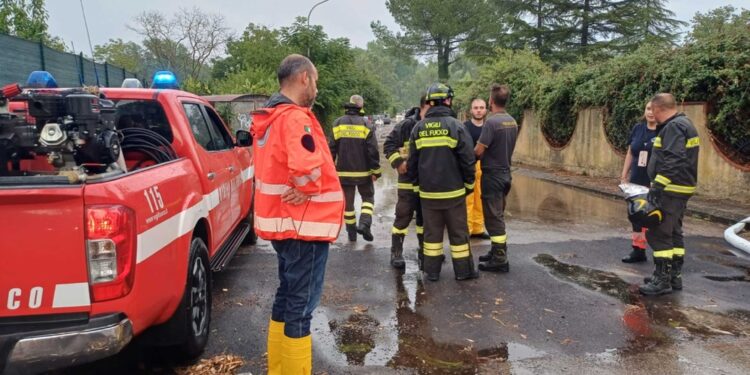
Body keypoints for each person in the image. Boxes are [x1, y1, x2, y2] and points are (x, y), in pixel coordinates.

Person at [251, 54, 344, 374]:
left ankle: (278, 369)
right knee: (300, 309)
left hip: (284, 223)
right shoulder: (294, 117)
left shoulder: (271, 116)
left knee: (287, 297)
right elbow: (306, 164)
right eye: (315, 80)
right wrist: (307, 187)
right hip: (304, 225)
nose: (317, 87)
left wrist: (303, 185)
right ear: (304, 78)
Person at [407, 83, 478, 281]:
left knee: (432, 235)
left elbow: (412, 163)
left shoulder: (418, 128)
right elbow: (468, 160)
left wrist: (416, 187)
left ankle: (431, 272)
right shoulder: (457, 126)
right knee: (459, 234)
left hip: (428, 194)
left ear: (429, 102)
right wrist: (469, 185)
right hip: (454, 193)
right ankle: (464, 272)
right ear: (447, 101)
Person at [640, 93, 699, 296]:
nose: (651, 114)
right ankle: (674, 276)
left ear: (657, 109)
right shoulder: (685, 124)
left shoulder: (673, 127)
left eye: (652, 110)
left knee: (659, 232)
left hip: (671, 190)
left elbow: (673, 160)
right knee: (674, 232)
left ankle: (662, 280)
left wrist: (657, 186)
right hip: (680, 188)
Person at [474, 84, 519, 273]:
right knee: (498, 212)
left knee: (493, 217)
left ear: (491, 101)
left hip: (492, 175)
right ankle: (495, 251)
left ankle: (500, 259)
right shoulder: (512, 121)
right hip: (506, 173)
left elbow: (479, 151)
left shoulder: (491, 123)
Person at [383, 95, 429, 268]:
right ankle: (396, 252)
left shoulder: (434, 124)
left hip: (426, 182)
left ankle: (425, 252)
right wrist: (398, 162)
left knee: (424, 220)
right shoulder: (407, 125)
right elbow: (388, 145)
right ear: (424, 106)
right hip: (408, 181)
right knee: (403, 216)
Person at [329, 95, 382, 242]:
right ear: (361, 107)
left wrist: (329, 169)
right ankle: (364, 223)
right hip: (364, 173)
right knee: (368, 197)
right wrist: (376, 171)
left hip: (343, 173)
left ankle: (351, 234)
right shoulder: (366, 124)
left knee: (348, 203)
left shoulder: (337, 123)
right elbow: (373, 150)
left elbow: (331, 149)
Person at [620, 101, 658, 263]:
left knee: (653, 218)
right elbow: (630, 153)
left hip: (654, 182)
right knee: (636, 215)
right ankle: (638, 250)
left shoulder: (664, 131)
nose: (650, 112)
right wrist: (624, 176)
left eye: (654, 109)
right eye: (648, 109)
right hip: (636, 179)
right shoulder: (638, 128)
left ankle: (662, 254)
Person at [464, 98, 489, 239]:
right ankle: (467, 229)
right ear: (471, 110)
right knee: (468, 200)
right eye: (476, 108)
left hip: (484, 168)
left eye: (481, 107)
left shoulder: (489, 127)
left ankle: (478, 228)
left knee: (480, 199)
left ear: (485, 110)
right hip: (469, 167)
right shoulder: (464, 127)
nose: (479, 110)